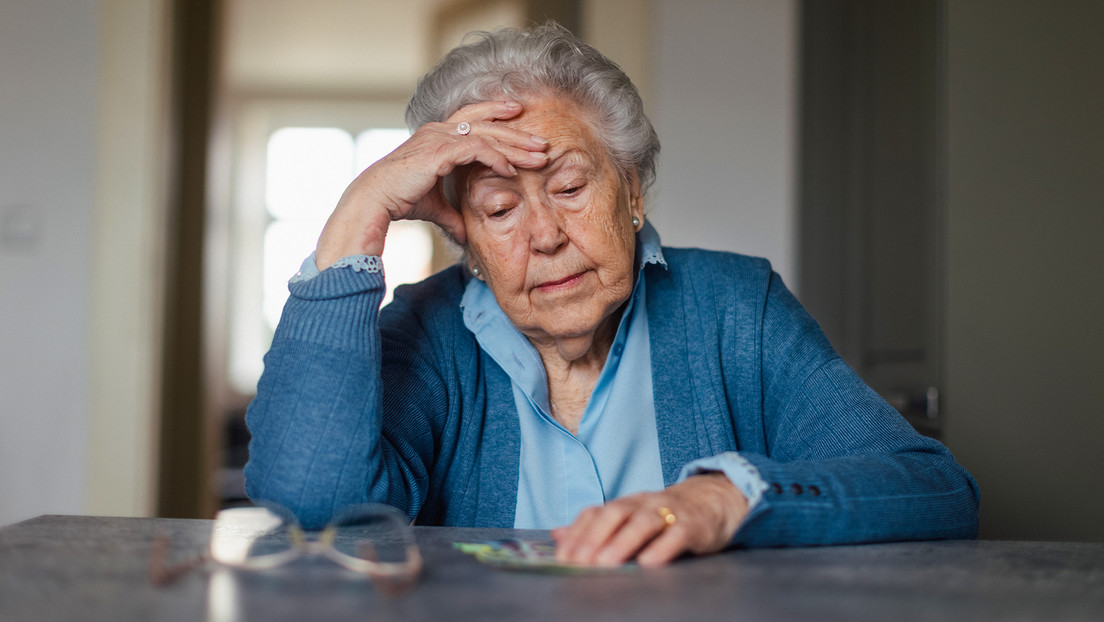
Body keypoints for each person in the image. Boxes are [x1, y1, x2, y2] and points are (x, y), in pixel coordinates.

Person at [244, 22, 979, 567]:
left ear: (631, 188)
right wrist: (354, 222)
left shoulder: (734, 310)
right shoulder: (426, 332)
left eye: (568, 186)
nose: (545, 235)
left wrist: (726, 498)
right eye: (498, 210)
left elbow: (930, 486)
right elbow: (312, 504)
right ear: (463, 231)